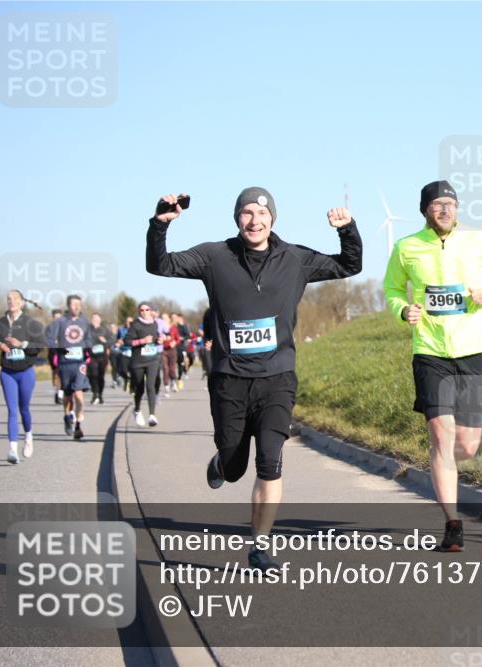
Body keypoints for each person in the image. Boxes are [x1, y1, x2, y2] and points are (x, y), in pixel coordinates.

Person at [146, 187, 362, 571]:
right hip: (229, 379)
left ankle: (260, 546)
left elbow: (348, 265)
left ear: (272, 219)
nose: (255, 220)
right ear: (237, 218)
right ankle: (222, 463)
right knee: (234, 467)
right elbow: (159, 265)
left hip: (277, 378)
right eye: (247, 213)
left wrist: (347, 230)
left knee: (270, 461)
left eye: (262, 214)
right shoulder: (215, 257)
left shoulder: (294, 259)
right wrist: (160, 225)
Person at [383, 180, 482, 552]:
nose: (445, 210)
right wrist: (402, 309)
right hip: (429, 352)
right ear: (425, 210)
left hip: (473, 351)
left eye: (450, 204)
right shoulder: (406, 247)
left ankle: (441, 462)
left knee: (468, 445)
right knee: (442, 435)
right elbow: (393, 289)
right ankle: (453, 524)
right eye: (437, 204)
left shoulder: (478, 240)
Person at [0, 290, 44, 463]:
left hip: (26, 372)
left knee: (24, 409)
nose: (11, 301)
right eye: (9, 299)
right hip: (7, 372)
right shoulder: (0, 323)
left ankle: (28, 437)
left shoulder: (30, 323)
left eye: (15, 299)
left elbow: (40, 345)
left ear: (21, 303)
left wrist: (21, 344)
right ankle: (12, 449)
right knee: (12, 411)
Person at [44, 295, 92, 440]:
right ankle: (67, 416)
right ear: (68, 306)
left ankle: (78, 424)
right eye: (74, 304)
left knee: (78, 394)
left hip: (79, 363)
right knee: (68, 395)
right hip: (65, 363)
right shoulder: (60, 322)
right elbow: (49, 339)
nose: (77, 307)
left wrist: (85, 348)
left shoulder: (84, 322)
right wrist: (58, 349)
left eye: (79, 304)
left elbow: (89, 339)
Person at [126, 302, 162, 427]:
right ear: (139, 311)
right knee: (140, 389)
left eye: (147, 309)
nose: (144, 312)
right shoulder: (135, 325)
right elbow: (127, 341)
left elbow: (155, 338)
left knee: (150, 386)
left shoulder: (154, 323)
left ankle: (152, 415)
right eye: (141, 310)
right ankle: (137, 410)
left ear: (150, 310)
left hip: (152, 359)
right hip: (138, 362)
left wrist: (158, 340)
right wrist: (142, 341)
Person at [87, 312, 112, 405]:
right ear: (91, 320)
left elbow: (112, 340)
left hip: (102, 356)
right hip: (91, 356)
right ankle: (95, 394)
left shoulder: (105, 329)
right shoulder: (87, 329)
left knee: (100, 376)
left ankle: (100, 395)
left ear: (100, 320)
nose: (95, 320)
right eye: (93, 319)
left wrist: (105, 341)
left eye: (97, 319)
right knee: (92, 375)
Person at [47, 308, 63, 404]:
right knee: (55, 374)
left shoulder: (65, 326)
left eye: (59, 317)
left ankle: (60, 394)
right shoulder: (49, 328)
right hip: (53, 353)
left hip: (63, 353)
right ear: (52, 318)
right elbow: (48, 341)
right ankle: (57, 391)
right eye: (55, 317)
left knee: (62, 374)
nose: (57, 319)